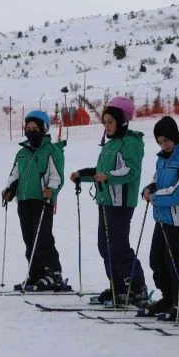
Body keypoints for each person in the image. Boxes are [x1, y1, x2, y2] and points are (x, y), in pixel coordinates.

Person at [70, 96, 149, 307]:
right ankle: (118, 287)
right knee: (104, 246)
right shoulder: (110, 144)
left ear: (122, 120)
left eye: (110, 121)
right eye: (104, 122)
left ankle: (137, 288)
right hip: (106, 201)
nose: (106, 126)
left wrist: (108, 177)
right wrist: (83, 175)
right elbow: (102, 173)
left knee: (118, 247)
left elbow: (130, 171)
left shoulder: (130, 143)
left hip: (121, 202)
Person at [141, 116, 179, 320]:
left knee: (176, 261)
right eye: (160, 141)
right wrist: (149, 188)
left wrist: (156, 197)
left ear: (175, 136)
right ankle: (169, 297)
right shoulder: (163, 157)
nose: (164, 145)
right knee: (157, 260)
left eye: (166, 140)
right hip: (163, 218)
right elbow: (158, 180)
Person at [3, 110, 68, 291]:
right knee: (29, 238)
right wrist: (9, 189)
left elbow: (57, 176)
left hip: (42, 200)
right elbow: (15, 174)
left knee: (43, 238)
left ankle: (53, 273)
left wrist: (52, 190)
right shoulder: (22, 152)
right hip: (24, 200)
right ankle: (36, 273)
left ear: (44, 129)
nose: (31, 131)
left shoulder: (51, 151)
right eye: (28, 128)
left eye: (35, 128)